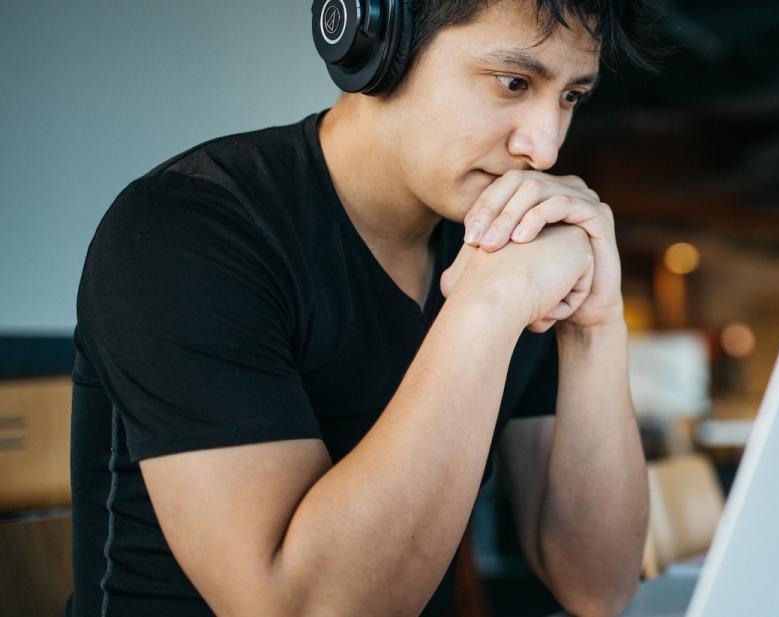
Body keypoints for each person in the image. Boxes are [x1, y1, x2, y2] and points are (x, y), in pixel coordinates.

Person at [69, 1, 661, 615]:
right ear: (376, 44)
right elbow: (299, 608)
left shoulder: (505, 239)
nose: (543, 148)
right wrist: (486, 306)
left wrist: (594, 323)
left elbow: (598, 586)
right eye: (514, 82)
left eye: (570, 97)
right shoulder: (188, 228)